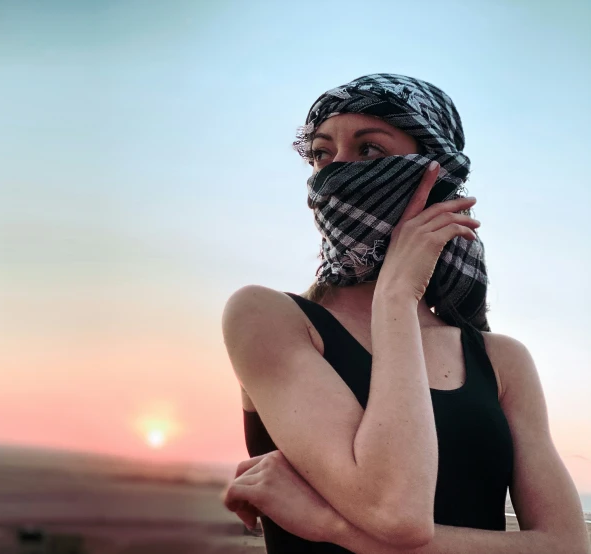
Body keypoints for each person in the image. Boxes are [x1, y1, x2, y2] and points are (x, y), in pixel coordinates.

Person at [220, 74, 590, 553]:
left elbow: (566, 546)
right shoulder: (268, 318)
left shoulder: (500, 360)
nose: (336, 172)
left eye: (369, 150)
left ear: (432, 171)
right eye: (321, 153)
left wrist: (332, 526)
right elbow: (397, 512)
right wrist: (395, 294)